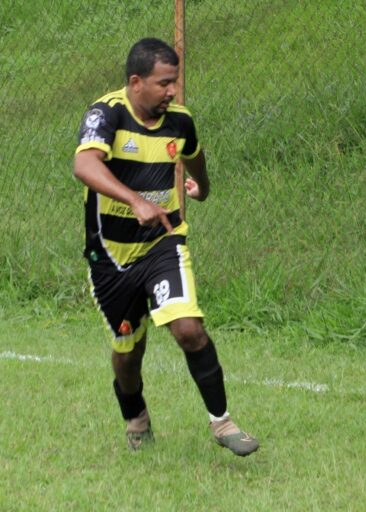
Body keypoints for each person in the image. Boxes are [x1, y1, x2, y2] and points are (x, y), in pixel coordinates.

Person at [73, 38, 258, 456]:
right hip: (111, 258)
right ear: (136, 82)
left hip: (164, 242)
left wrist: (203, 189)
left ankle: (222, 423)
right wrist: (133, 200)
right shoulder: (107, 114)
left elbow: (195, 156)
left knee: (189, 329)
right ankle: (135, 415)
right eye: (164, 83)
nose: (172, 91)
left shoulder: (180, 121)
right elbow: (84, 165)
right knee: (128, 354)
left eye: (175, 82)